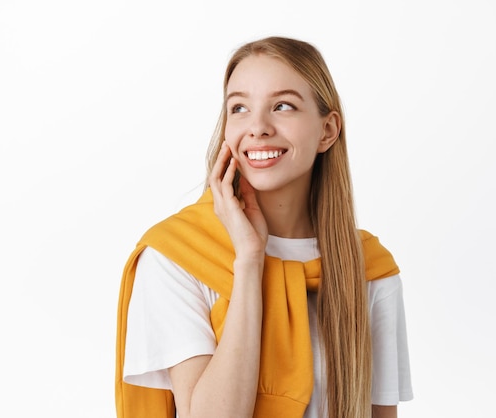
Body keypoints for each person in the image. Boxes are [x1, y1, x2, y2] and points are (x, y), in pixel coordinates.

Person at [115, 36, 413, 418]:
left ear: (327, 130)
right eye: (239, 107)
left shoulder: (369, 268)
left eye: (283, 106)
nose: (257, 127)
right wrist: (250, 261)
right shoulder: (175, 256)